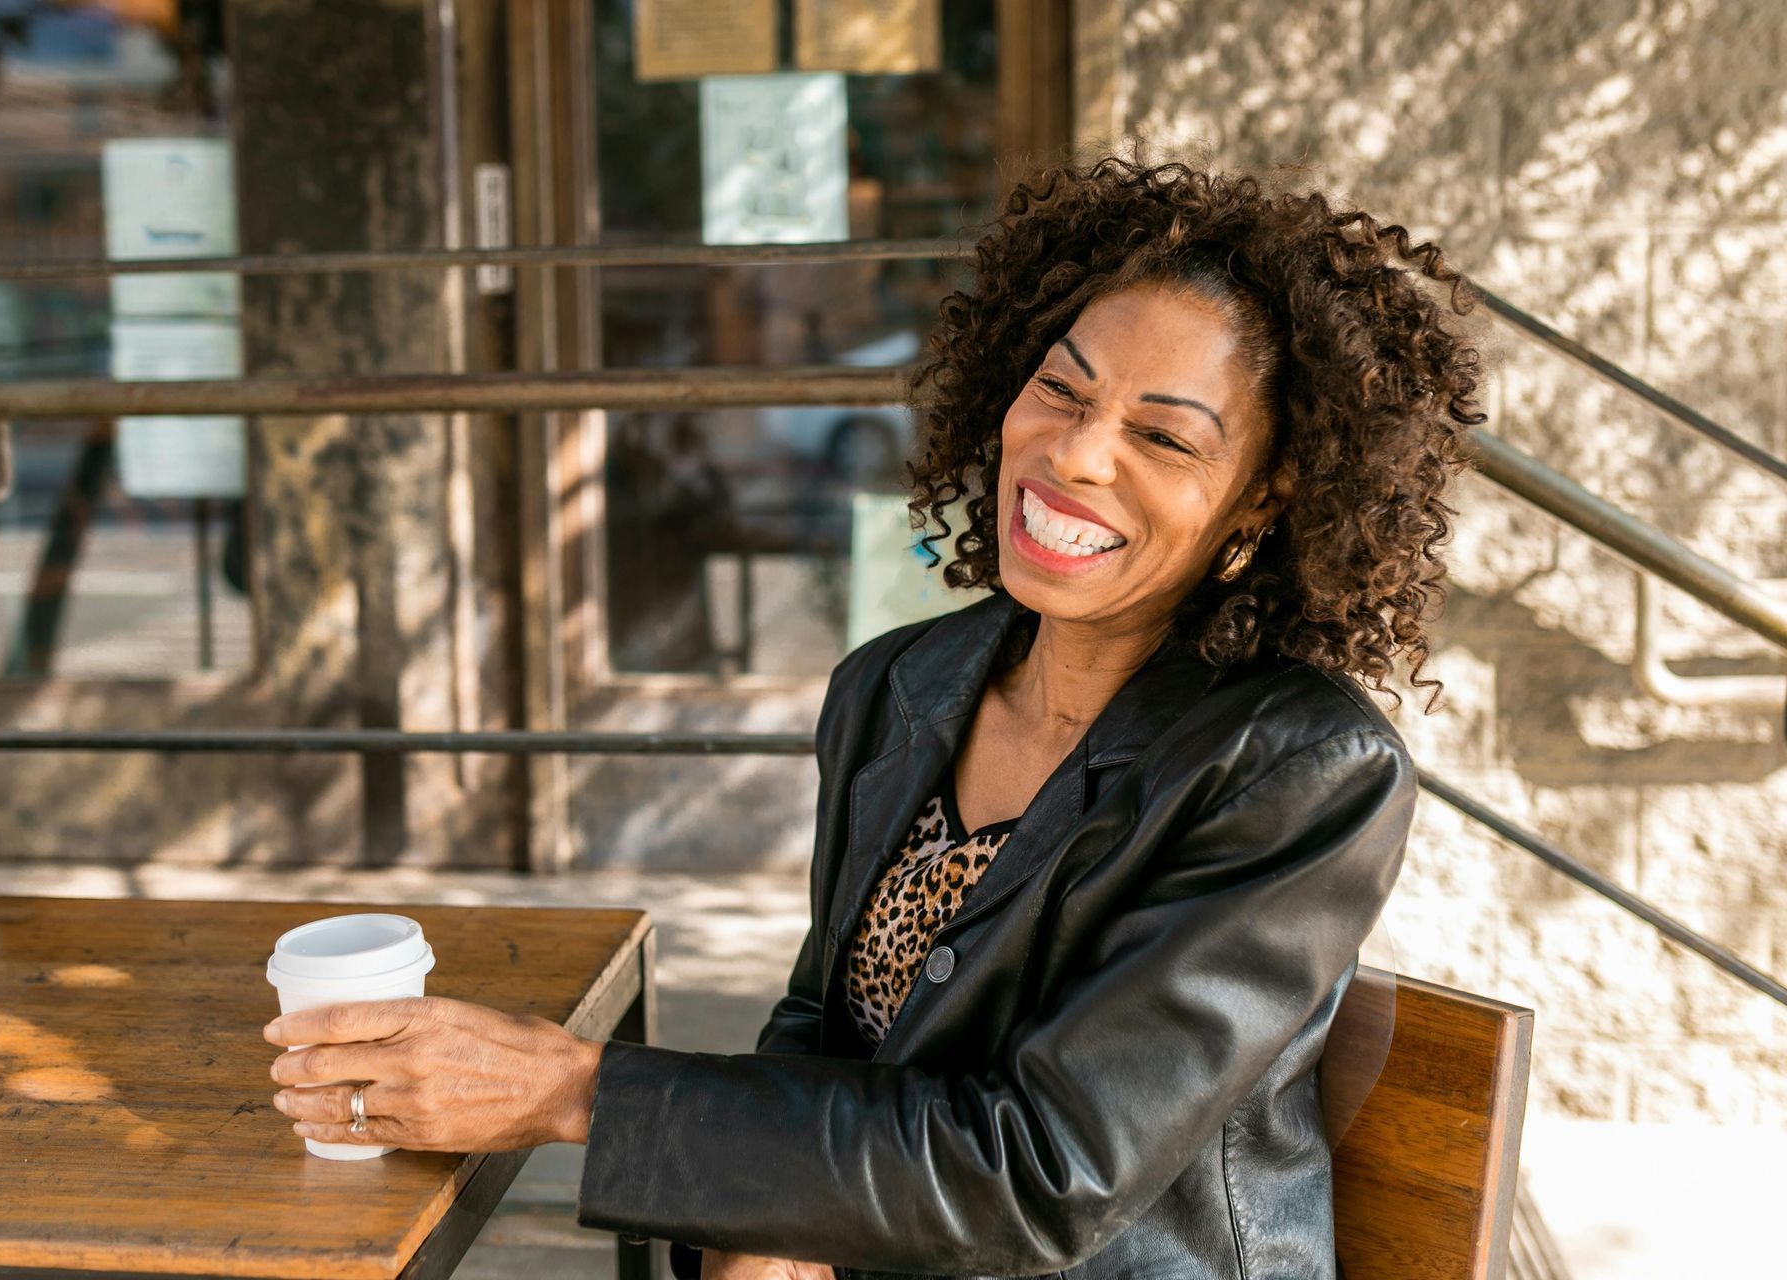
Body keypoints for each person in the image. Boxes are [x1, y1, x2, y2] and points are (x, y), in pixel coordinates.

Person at [259, 152, 1484, 1280]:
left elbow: (1048, 1166)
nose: (1077, 454)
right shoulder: (903, 685)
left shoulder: (1299, 771)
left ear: (1262, 503)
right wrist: (757, 1230)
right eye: (1061, 387)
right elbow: (824, 1017)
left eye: (1164, 436)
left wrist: (577, 1089)